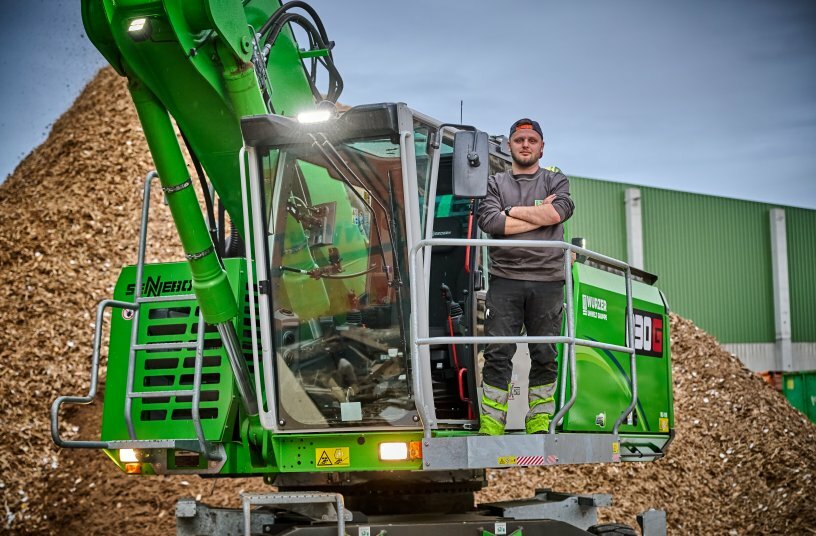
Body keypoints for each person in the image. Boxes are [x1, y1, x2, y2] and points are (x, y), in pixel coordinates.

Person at [476, 118, 575, 435]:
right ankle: (492, 419)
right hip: (505, 279)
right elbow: (491, 222)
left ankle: (540, 417)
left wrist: (511, 212)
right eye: (520, 140)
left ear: (541, 147)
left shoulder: (555, 181)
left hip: (548, 280)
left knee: (545, 352)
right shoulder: (494, 183)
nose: (526, 145)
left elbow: (558, 213)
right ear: (509, 145)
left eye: (532, 140)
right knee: (497, 351)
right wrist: (535, 214)